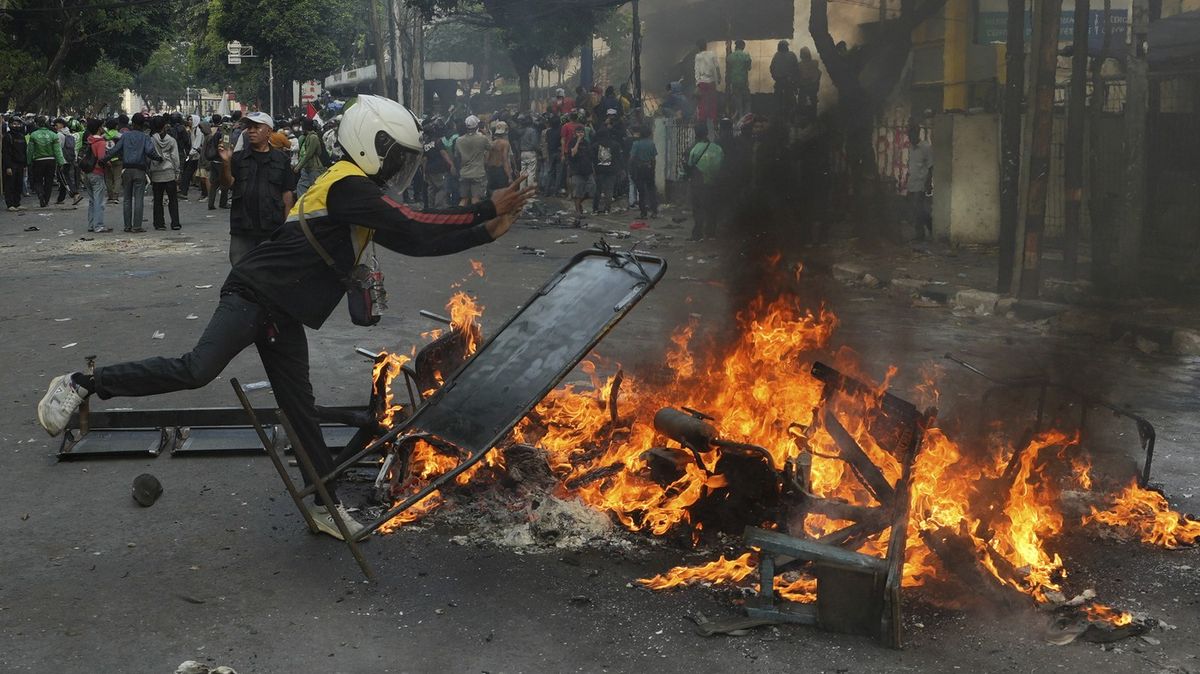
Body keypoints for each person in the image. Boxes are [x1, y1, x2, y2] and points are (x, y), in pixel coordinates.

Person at [36, 95, 537, 540]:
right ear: (371, 144)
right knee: (196, 370)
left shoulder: (359, 195)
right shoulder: (347, 187)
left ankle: (323, 504)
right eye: (395, 157)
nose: (397, 168)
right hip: (253, 294)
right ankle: (82, 383)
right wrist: (482, 209)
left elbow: (415, 239)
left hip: (285, 311)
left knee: (300, 408)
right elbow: (412, 223)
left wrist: (487, 232)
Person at [217, 111, 297, 264]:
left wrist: (287, 225)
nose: (251, 130)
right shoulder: (238, 158)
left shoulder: (281, 160)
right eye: (249, 127)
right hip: (242, 227)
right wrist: (226, 162)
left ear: (268, 131)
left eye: (256, 127)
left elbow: (287, 194)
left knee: (268, 272)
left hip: (272, 227)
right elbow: (226, 184)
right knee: (240, 270)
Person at [103, 112, 160, 233]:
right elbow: (150, 152)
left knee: (127, 199)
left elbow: (114, 150)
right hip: (140, 170)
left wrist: (104, 159)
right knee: (138, 199)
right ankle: (137, 226)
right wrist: (159, 158)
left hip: (127, 170)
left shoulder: (125, 136)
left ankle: (127, 226)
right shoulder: (145, 137)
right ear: (143, 125)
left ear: (132, 124)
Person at [684, 124, 724, 241]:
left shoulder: (693, 148)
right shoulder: (717, 148)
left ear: (696, 133)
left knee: (698, 209)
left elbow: (689, 165)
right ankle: (711, 233)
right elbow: (721, 164)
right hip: (713, 183)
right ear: (707, 133)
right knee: (712, 208)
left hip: (698, 183)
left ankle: (697, 234)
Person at [148, 116, 182, 231]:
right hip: (169, 172)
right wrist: (177, 171)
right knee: (173, 199)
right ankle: (175, 223)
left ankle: (159, 223)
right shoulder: (171, 140)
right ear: (164, 126)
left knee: (158, 199)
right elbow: (175, 157)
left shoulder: (151, 139)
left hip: (156, 173)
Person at [26, 116, 64, 208]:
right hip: (51, 161)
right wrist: (61, 162)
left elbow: (30, 150)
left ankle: (40, 194)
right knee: (49, 181)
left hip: (38, 161)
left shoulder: (33, 135)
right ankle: (46, 200)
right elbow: (57, 150)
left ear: (37, 124)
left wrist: (28, 161)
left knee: (38, 180)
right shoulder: (53, 135)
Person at [81, 118, 110, 232]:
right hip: (97, 173)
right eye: (102, 126)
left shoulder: (89, 140)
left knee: (92, 201)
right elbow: (102, 159)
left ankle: (91, 224)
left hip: (87, 172)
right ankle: (99, 225)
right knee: (99, 201)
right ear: (99, 128)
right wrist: (108, 163)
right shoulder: (101, 142)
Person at [454, 115, 490, 206]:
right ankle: (475, 217)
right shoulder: (482, 139)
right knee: (475, 198)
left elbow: (457, 156)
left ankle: (460, 216)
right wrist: (486, 133)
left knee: (464, 199)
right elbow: (491, 147)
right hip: (478, 173)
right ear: (477, 126)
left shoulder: (459, 140)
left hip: (464, 173)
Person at [906, 124, 933, 241]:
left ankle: (920, 234)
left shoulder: (925, 147)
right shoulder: (911, 148)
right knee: (917, 209)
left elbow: (931, 166)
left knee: (917, 208)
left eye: (912, 134)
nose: (910, 137)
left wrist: (928, 182)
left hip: (921, 182)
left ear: (916, 134)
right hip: (912, 182)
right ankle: (931, 226)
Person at [591, 112, 621, 214]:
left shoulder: (595, 145)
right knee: (609, 190)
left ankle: (595, 209)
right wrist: (619, 169)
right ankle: (607, 209)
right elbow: (618, 158)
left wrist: (593, 169)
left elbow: (592, 158)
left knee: (598, 190)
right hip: (611, 170)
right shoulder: (615, 145)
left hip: (599, 170)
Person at [628, 124, 657, 218]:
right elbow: (653, 158)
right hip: (649, 168)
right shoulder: (651, 144)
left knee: (641, 191)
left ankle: (643, 213)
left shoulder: (636, 144)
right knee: (651, 190)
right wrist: (652, 169)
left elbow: (632, 158)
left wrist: (631, 169)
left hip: (639, 169)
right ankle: (654, 211)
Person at [770, 41, 801, 123]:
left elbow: (772, 68)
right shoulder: (792, 55)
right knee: (791, 102)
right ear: (786, 47)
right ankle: (792, 119)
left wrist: (775, 77)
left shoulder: (776, 56)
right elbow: (796, 69)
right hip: (789, 82)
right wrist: (795, 83)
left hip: (779, 82)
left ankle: (779, 120)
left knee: (778, 102)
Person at [567, 125, 594, 220]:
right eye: (578, 132)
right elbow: (573, 153)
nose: (580, 134)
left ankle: (579, 203)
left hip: (587, 170)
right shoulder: (572, 142)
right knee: (578, 192)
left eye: (582, 132)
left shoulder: (587, 143)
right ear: (575, 133)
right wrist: (578, 141)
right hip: (576, 171)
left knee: (591, 189)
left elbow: (591, 156)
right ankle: (578, 211)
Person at [294, 117, 326, 198]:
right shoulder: (306, 137)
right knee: (300, 186)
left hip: (315, 168)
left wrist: (298, 166)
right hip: (307, 168)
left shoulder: (313, 137)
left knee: (316, 190)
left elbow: (308, 154)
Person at [53, 118, 82, 205]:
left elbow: (58, 149)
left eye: (56, 124)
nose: (55, 126)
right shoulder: (69, 134)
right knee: (64, 179)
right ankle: (60, 198)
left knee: (65, 179)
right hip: (70, 159)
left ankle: (75, 194)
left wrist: (59, 161)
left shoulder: (59, 135)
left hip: (62, 160)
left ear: (62, 125)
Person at [694, 40, 721, 127]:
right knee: (712, 102)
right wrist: (719, 78)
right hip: (712, 82)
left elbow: (696, 71)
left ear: (699, 48)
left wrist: (697, 84)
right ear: (706, 46)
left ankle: (702, 122)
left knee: (702, 103)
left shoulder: (698, 56)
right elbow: (717, 67)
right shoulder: (712, 54)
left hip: (702, 83)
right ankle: (713, 121)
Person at [3, 117, 28, 211]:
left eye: (18, 124)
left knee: (19, 184)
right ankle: (10, 204)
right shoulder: (8, 136)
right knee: (10, 185)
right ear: (10, 125)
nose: (16, 126)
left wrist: (25, 165)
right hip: (12, 164)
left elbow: (24, 151)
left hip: (21, 164)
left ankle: (17, 203)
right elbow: (6, 153)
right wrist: (8, 167)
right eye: (14, 124)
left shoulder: (22, 136)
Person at [206, 114, 229, 211]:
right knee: (224, 183)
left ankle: (210, 203)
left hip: (213, 160)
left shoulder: (215, 133)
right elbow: (226, 148)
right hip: (221, 162)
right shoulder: (225, 134)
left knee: (214, 184)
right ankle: (223, 203)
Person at [484, 120, 512, 194]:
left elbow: (486, 159)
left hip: (491, 171)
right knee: (502, 194)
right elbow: (505, 160)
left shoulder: (492, 143)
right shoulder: (505, 143)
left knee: (492, 194)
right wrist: (509, 176)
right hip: (500, 171)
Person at [727, 40, 753, 119]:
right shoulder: (746, 56)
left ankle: (740, 116)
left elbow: (728, 69)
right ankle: (746, 117)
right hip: (743, 81)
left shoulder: (730, 57)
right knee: (747, 100)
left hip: (734, 82)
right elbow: (749, 68)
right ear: (743, 46)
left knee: (738, 100)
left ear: (735, 46)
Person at [179, 115, 203, 200]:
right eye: (188, 119)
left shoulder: (198, 131)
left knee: (188, 173)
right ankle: (183, 191)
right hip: (194, 155)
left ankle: (184, 191)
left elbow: (196, 144)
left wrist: (190, 154)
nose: (189, 121)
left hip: (196, 156)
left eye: (191, 120)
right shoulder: (193, 130)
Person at [515, 115, 539, 192]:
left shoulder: (520, 131)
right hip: (530, 152)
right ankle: (530, 191)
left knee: (523, 172)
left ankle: (522, 190)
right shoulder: (532, 131)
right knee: (531, 173)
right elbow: (534, 144)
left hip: (522, 153)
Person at [797, 47, 821, 120]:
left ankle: (805, 117)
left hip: (806, 86)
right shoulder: (815, 63)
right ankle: (812, 117)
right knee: (812, 102)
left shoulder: (800, 65)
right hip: (811, 86)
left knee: (802, 102)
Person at [102, 118, 122, 203]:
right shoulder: (120, 135)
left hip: (107, 160)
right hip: (118, 159)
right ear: (116, 126)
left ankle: (110, 196)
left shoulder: (103, 136)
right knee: (117, 178)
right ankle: (115, 196)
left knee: (108, 178)